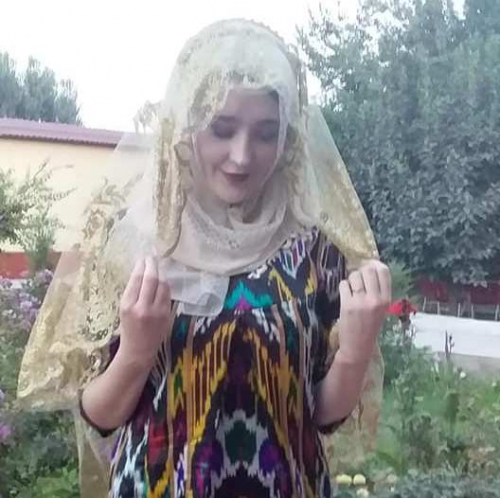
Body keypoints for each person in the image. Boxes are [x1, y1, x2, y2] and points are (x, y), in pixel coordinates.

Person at [18, 19, 389, 498]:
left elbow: (320, 414)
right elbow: (99, 415)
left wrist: (355, 350)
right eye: (222, 129)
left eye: (266, 133)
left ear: (288, 138)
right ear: (186, 125)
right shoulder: (132, 238)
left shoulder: (315, 246)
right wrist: (135, 352)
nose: (242, 156)